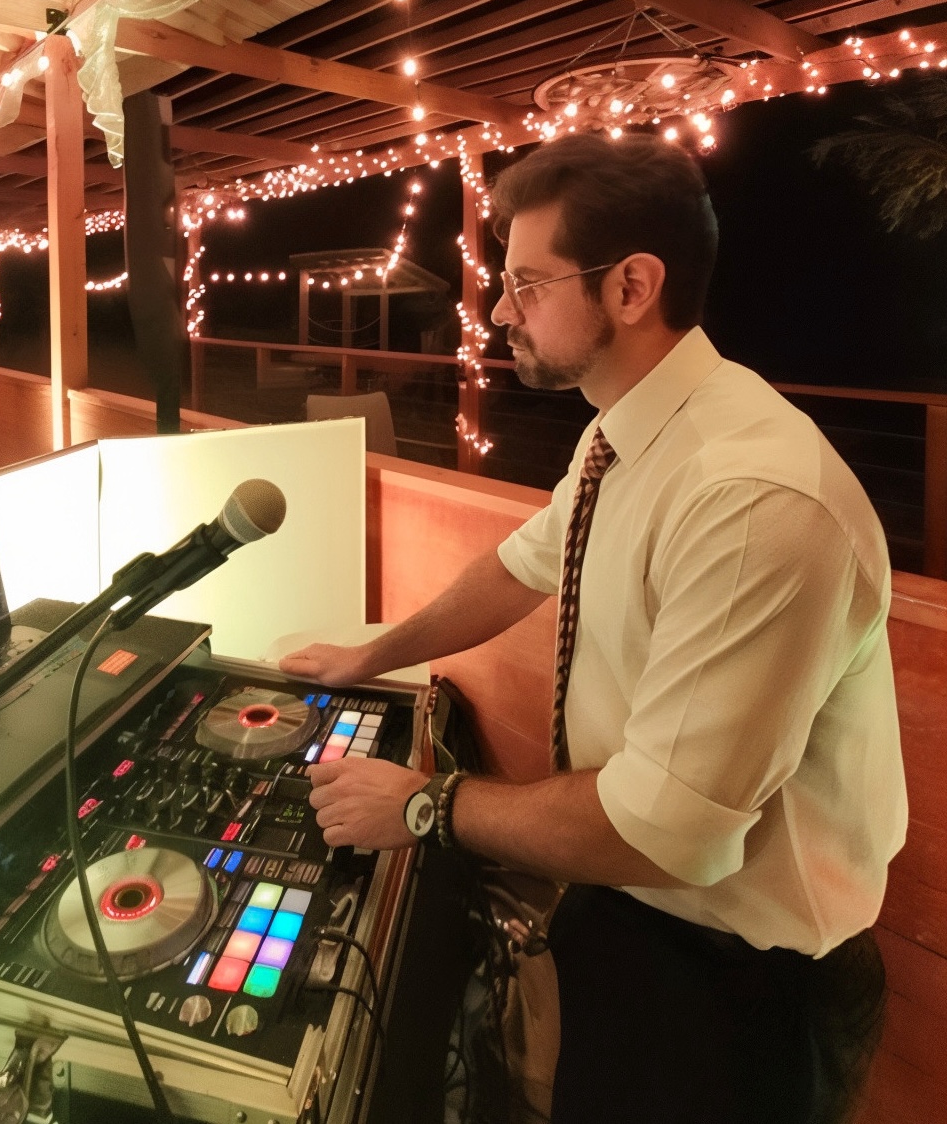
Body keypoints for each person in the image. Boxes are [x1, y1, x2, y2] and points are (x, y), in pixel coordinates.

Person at [279, 134, 906, 1124]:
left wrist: (427, 805)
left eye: (526, 284)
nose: (498, 311)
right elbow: (521, 566)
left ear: (631, 287)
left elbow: (669, 833)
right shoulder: (621, 433)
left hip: (747, 986)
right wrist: (373, 654)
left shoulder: (754, 497)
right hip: (631, 913)